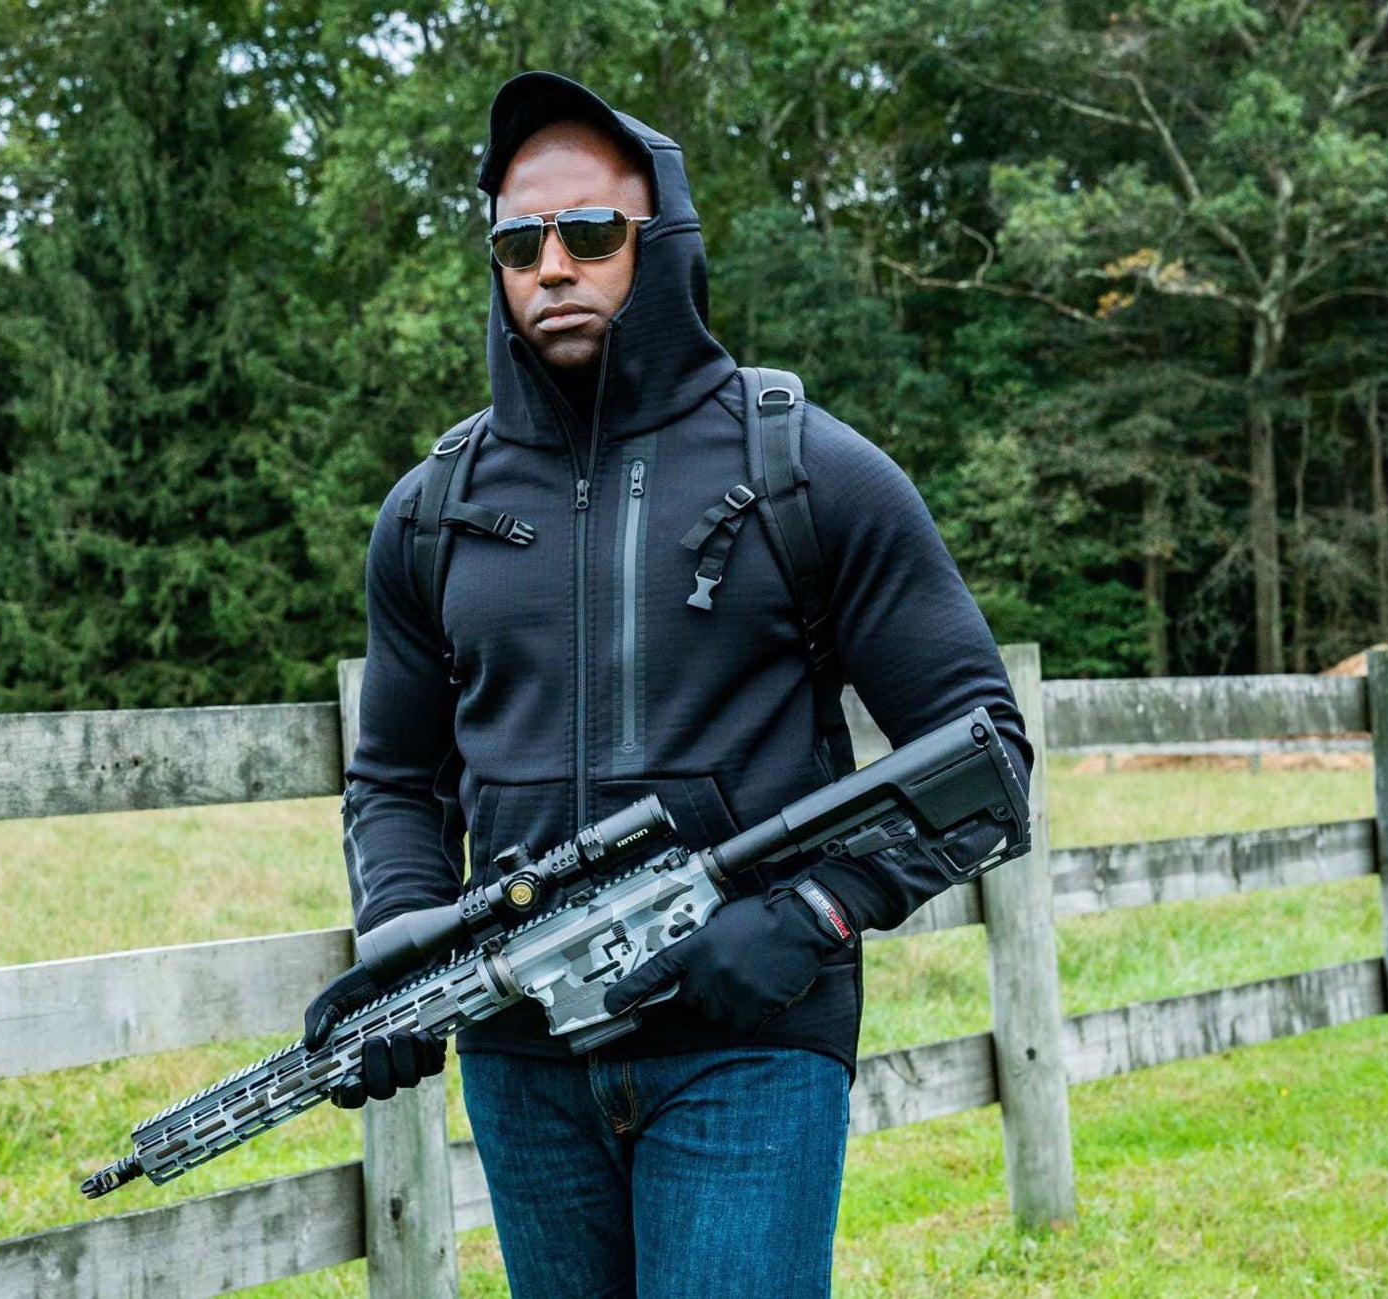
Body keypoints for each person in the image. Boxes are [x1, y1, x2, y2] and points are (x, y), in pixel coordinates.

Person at [317, 71, 1032, 1299]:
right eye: (517, 239)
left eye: (591, 233)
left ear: (663, 243)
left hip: (748, 1049)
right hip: (522, 1058)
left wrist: (819, 914)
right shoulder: (430, 512)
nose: (553, 265)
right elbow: (392, 778)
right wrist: (400, 948)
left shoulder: (807, 470)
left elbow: (988, 758)